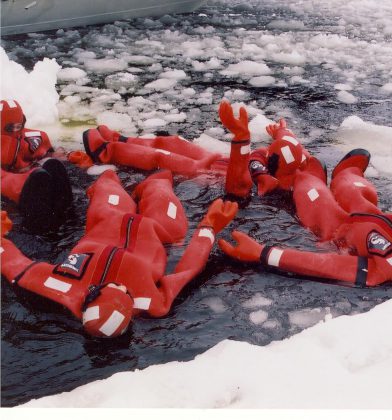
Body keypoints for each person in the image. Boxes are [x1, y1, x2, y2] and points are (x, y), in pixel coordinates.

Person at [1, 170, 238, 338]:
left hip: (108, 220)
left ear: (91, 296)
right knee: (160, 184)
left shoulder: (63, 287)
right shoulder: (153, 303)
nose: (120, 285)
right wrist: (208, 228)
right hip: (159, 230)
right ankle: (150, 185)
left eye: (110, 288)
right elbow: (188, 269)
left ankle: (107, 178)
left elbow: (15, 266)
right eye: (124, 291)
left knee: (107, 184)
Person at [218, 149, 392, 287]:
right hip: (370, 216)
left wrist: (263, 253)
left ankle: (310, 176)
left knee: (311, 191)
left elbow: (333, 264)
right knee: (350, 187)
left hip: (338, 230)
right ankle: (348, 172)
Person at [70, 101, 313, 198]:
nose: (268, 153)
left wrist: (241, 140)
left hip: (216, 174)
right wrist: (281, 131)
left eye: (272, 155)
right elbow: (290, 143)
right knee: (175, 142)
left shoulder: (267, 184)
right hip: (226, 160)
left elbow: (237, 185)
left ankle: (106, 151)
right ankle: (122, 138)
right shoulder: (298, 160)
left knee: (163, 157)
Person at [1, 99, 73, 232]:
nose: (16, 130)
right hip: (16, 185)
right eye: (11, 127)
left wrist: (65, 156)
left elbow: (51, 155)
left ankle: (66, 211)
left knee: (52, 166)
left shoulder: (34, 138)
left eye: (19, 125)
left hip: (34, 177)